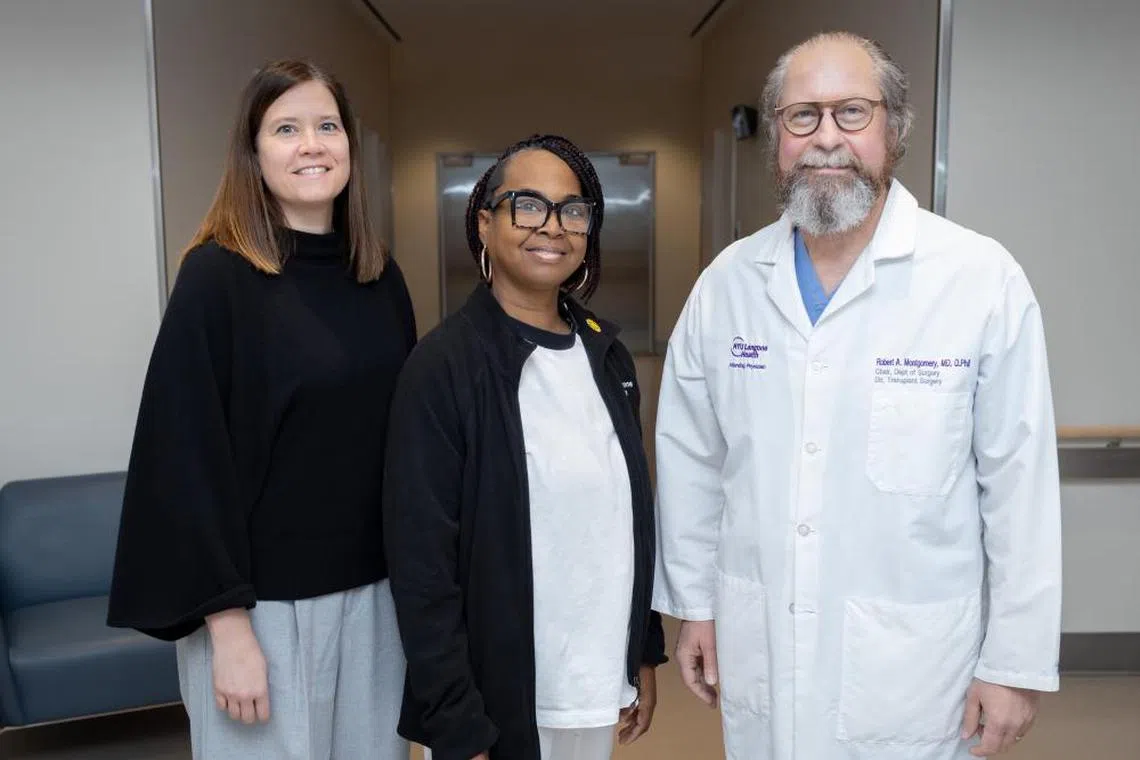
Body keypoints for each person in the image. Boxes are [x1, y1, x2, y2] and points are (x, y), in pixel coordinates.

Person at [652, 31, 1062, 760]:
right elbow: (690, 460)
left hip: (917, 673)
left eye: (852, 113)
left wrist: (1014, 663)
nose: (826, 139)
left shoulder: (977, 279)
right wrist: (697, 609)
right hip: (763, 642)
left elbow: (1020, 484)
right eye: (802, 116)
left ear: (894, 131)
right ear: (776, 137)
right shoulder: (729, 284)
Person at [107, 59, 416, 760]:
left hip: (376, 605)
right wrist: (229, 630)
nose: (312, 144)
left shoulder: (378, 275)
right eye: (286, 128)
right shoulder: (216, 278)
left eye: (326, 125)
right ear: (254, 153)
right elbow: (183, 459)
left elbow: (399, 444)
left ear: (349, 145)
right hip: (262, 613)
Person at [382, 134, 666, 760]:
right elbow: (422, 563)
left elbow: (627, 516)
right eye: (528, 205)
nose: (553, 226)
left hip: (592, 685)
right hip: (493, 698)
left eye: (573, 209)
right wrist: (456, 720)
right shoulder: (444, 367)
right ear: (484, 224)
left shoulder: (607, 356)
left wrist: (642, 648)